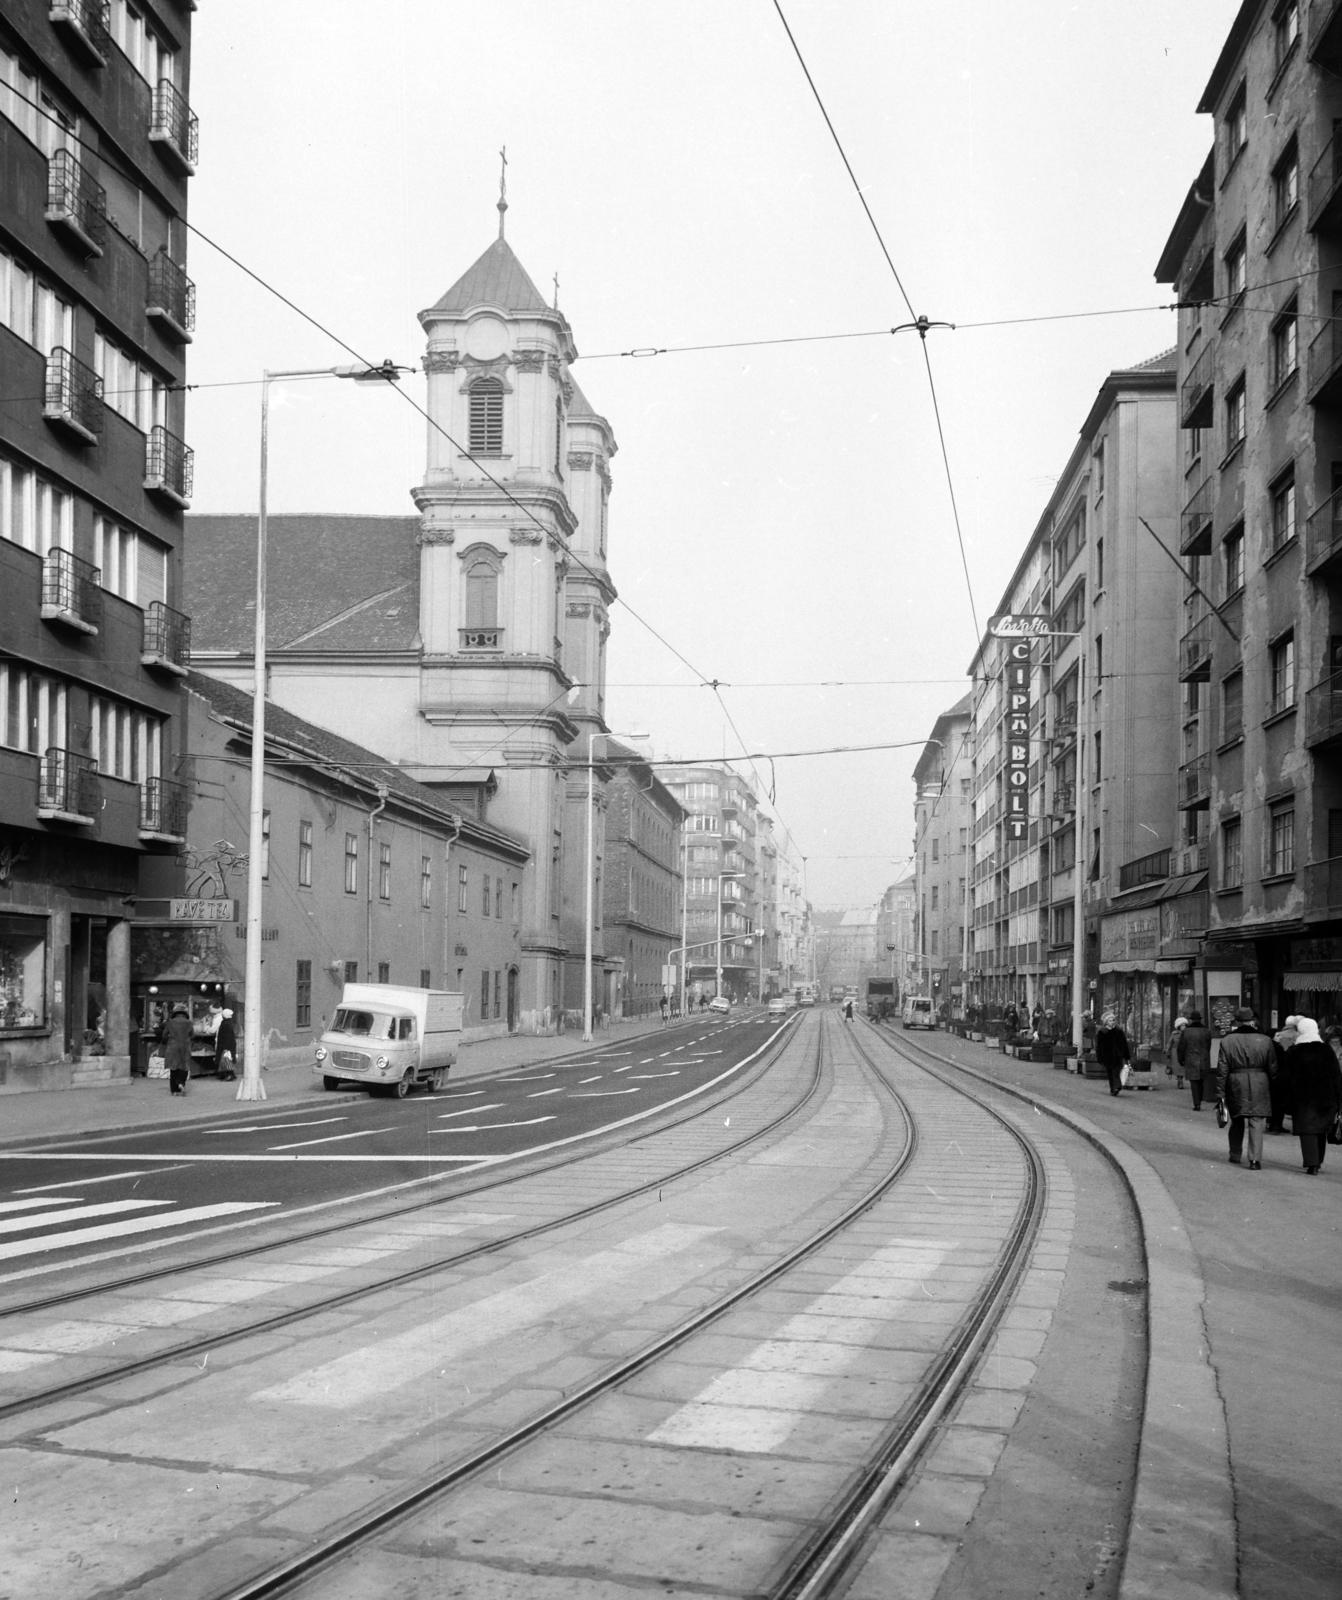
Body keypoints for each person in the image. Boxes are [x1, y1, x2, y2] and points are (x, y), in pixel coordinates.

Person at [1213, 1007, 1276, 1169]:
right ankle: (1255, 1160)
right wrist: (1274, 1086)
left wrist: (1220, 1092)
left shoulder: (1228, 1040)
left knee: (1237, 1119)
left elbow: (1222, 1069)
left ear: (1237, 1021)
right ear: (1253, 1021)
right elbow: (1272, 1067)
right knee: (1256, 1121)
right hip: (1260, 1082)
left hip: (1236, 1082)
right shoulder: (1265, 1040)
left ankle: (1235, 1154)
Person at [1281, 1017, 1342, 1175]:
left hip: (1302, 1098)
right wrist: (1339, 1096)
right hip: (1325, 1096)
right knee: (1321, 1129)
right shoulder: (1326, 1050)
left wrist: (1284, 1097)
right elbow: (1336, 1075)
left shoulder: (1294, 1051)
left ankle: (1312, 1163)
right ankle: (1318, 1160)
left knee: (1307, 1130)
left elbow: (1285, 1077)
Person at [1268, 1014, 1299, 1135]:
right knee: (1278, 1103)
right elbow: (1280, 1060)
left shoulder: (1275, 1046)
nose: (1280, 1037)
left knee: (1277, 1103)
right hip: (1277, 1078)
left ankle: (1274, 1125)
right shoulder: (1275, 1047)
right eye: (1277, 1035)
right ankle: (1275, 1125)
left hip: (1275, 1077)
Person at [1176, 1010, 1212, 1110]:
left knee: (1194, 1082)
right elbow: (1209, 1046)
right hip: (1203, 1058)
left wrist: (1181, 1059)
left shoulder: (1186, 1032)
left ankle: (1197, 1103)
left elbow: (1181, 1047)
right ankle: (1199, 1099)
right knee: (1201, 1081)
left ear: (1191, 1020)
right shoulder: (1206, 1031)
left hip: (1191, 1059)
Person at [1095, 1010, 1131, 1096]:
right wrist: (1099, 1057)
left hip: (1118, 1055)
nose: (1112, 1022)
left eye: (1113, 1020)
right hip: (1107, 1056)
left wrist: (1127, 1056)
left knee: (1115, 1071)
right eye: (1110, 1021)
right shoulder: (1102, 1032)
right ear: (1106, 1022)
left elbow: (1124, 1043)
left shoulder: (1118, 1031)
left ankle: (1117, 1087)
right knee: (1110, 1072)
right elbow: (1099, 1046)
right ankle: (1113, 1089)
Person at [163, 1004, 193, 1096]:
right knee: (184, 1066)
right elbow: (192, 1035)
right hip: (185, 1047)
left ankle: (174, 1091)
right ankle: (180, 1083)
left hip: (173, 1047)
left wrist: (168, 1040)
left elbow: (164, 1035)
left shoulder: (170, 1022)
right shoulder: (189, 1022)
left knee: (173, 1067)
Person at [215, 1007, 237, 1079]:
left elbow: (226, 1036)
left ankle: (228, 1074)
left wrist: (226, 1048)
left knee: (225, 1059)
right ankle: (229, 1074)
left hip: (225, 1045)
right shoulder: (229, 1023)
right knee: (228, 1059)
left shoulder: (225, 1024)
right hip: (229, 1045)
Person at [1167, 1015, 1189, 1086]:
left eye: (1184, 1025)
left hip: (1185, 1052)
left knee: (1182, 1067)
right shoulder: (1174, 1033)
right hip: (1175, 1052)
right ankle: (1180, 1081)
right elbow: (1170, 1043)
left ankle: (1180, 1080)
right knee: (1177, 1067)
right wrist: (1168, 1052)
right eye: (1182, 1025)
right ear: (1179, 1026)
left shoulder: (1188, 1033)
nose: (1183, 1027)